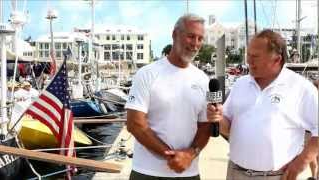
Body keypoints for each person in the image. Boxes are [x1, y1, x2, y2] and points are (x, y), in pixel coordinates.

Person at [207, 29, 318, 180]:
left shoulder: (301, 87)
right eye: (248, 55)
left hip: (276, 176)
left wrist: (301, 162)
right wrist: (218, 117)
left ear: (277, 60)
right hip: (235, 173)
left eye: (255, 57)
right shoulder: (240, 84)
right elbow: (229, 129)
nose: (249, 61)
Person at [125, 13, 216, 180]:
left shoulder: (203, 80)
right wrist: (171, 156)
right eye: (190, 36)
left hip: (189, 172)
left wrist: (189, 155)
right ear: (175, 34)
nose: (195, 44)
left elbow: (205, 126)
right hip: (147, 173)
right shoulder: (147, 74)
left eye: (200, 38)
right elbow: (135, 124)